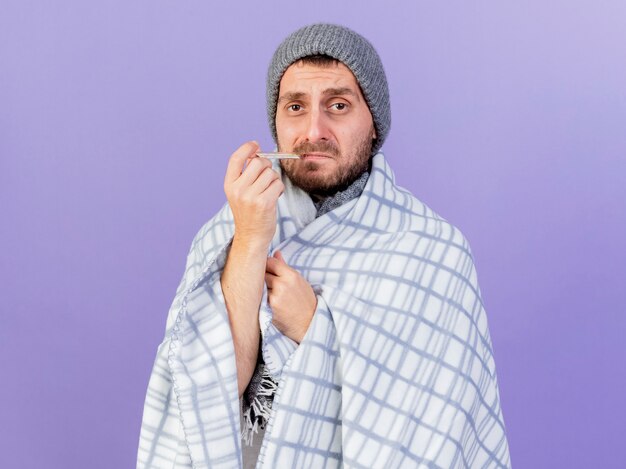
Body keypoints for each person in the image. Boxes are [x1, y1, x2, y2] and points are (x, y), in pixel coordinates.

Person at [137, 23, 511, 469]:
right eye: (295, 106)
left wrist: (314, 327)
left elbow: (426, 432)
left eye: (338, 105)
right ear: (275, 122)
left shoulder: (433, 251)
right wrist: (252, 238)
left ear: (375, 124)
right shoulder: (231, 229)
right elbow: (204, 398)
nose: (314, 130)